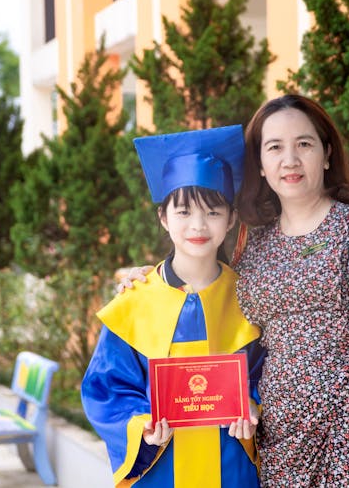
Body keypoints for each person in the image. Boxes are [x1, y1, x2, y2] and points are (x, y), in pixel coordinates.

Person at [121, 94, 349, 488]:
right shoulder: (254, 246)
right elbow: (207, 286)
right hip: (279, 442)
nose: (289, 160)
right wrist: (148, 278)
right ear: (259, 163)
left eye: (304, 145)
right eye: (274, 147)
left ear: (327, 154)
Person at [81, 125, 265, 488]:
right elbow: (106, 391)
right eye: (183, 212)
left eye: (212, 212)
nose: (198, 225)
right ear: (163, 218)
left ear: (230, 219)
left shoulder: (250, 298)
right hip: (159, 472)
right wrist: (141, 426)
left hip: (232, 470)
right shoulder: (135, 301)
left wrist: (254, 407)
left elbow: (270, 376)